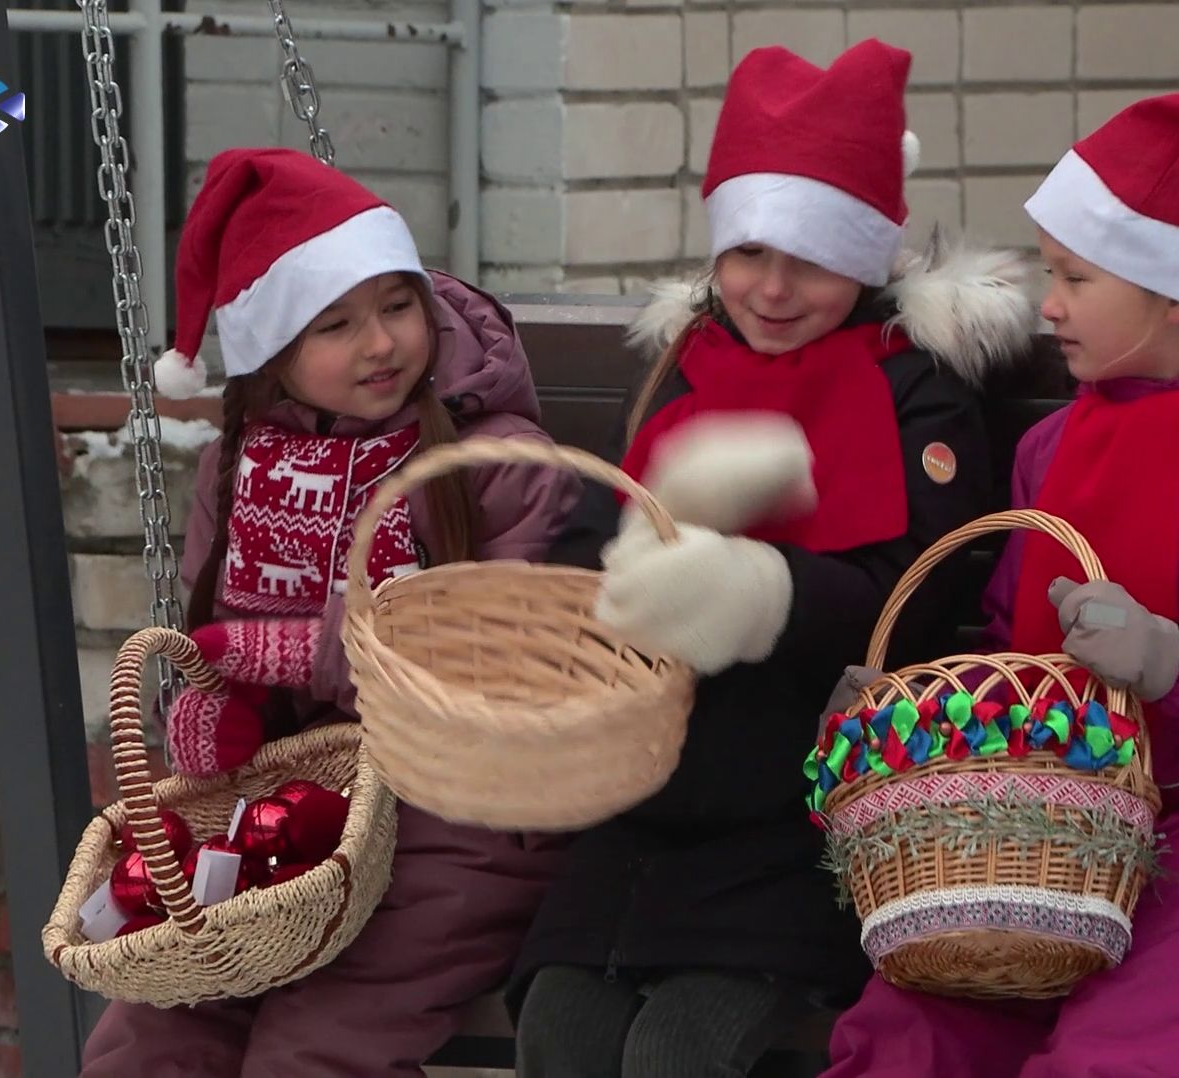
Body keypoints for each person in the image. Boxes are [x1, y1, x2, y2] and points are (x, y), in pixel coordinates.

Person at [505, 38, 1043, 1078]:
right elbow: (606, 522)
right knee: (557, 1031)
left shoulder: (916, 390)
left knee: (677, 1051)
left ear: (868, 252)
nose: (773, 287)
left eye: (811, 258)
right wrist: (601, 585)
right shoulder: (683, 365)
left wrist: (762, 591)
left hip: (807, 806)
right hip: (643, 794)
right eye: (748, 253)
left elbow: (921, 595)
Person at [820, 74, 1179, 1078]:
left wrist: (1170, 660)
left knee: (1112, 1057)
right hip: (1058, 833)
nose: (1049, 305)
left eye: (1076, 278)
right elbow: (1011, 655)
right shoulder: (1056, 447)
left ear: (1177, 291)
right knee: (904, 1034)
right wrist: (909, 715)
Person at [80, 146, 578, 1077]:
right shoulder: (237, 468)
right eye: (335, 325)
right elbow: (217, 642)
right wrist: (214, 709)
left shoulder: (494, 459)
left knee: (314, 1051)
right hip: (292, 814)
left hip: (462, 825)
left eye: (396, 306)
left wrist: (303, 654)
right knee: (153, 1036)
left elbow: (503, 659)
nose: (381, 343)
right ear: (274, 350)